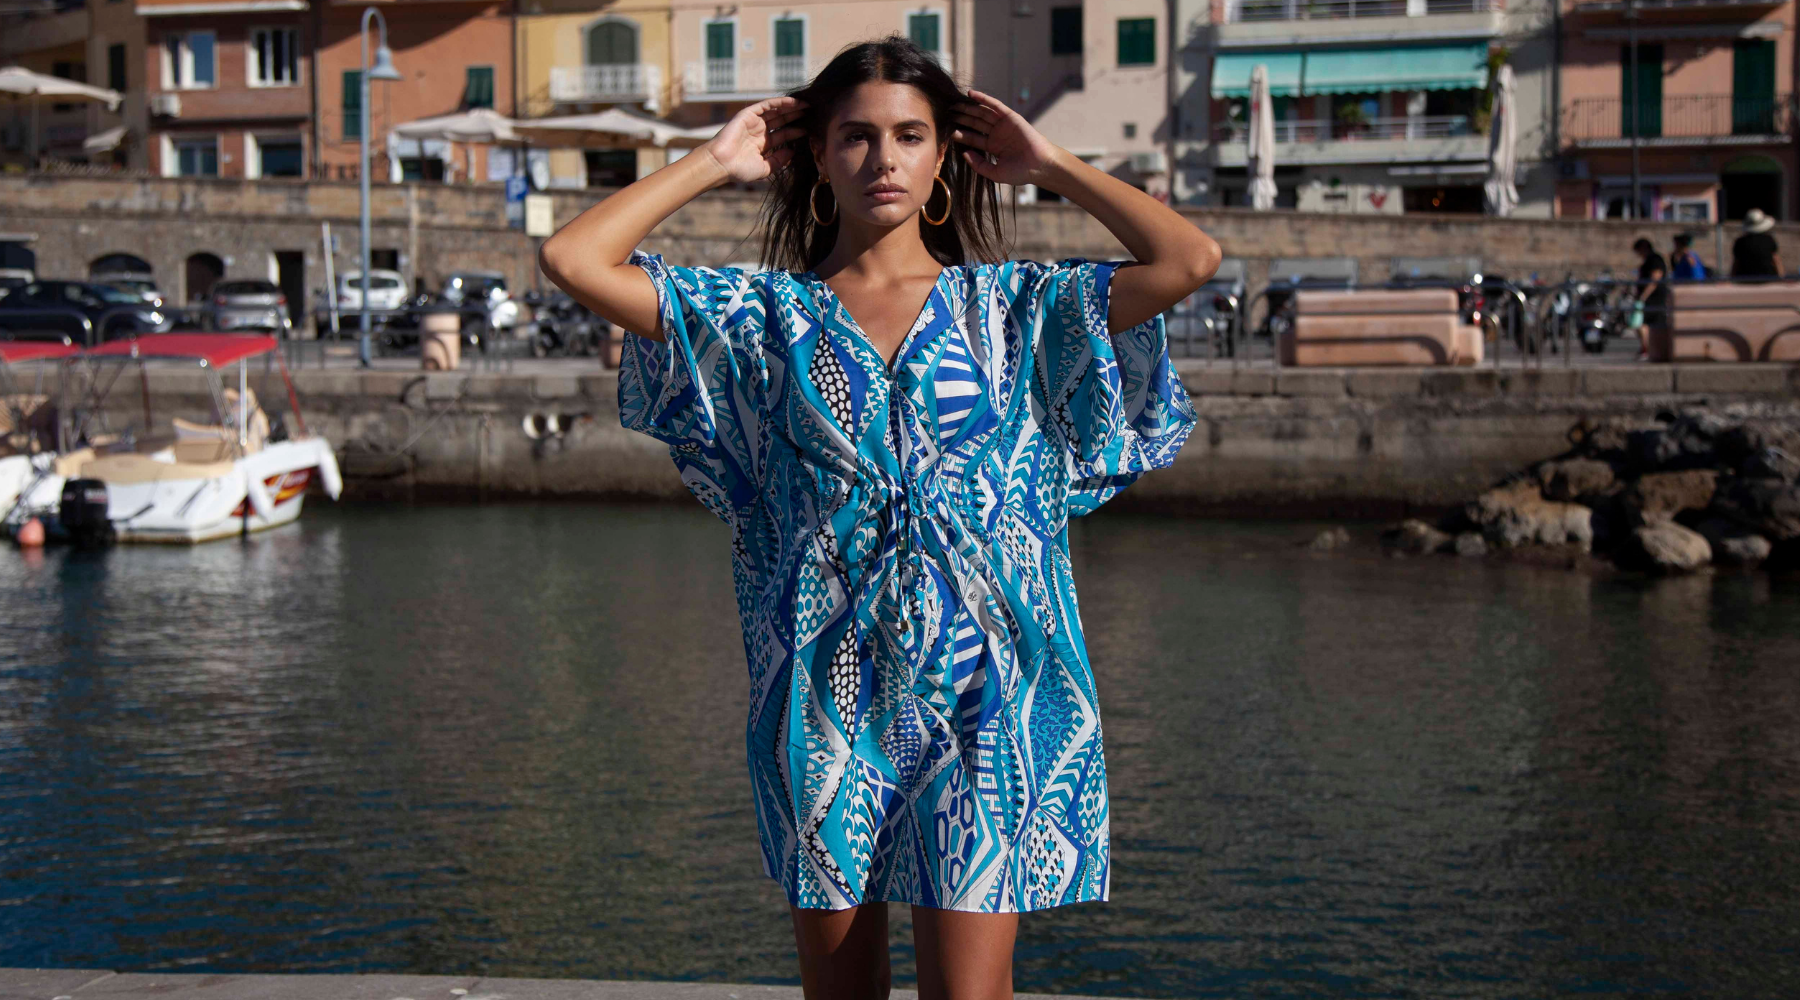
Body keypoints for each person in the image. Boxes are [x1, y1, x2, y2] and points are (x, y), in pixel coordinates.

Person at [539, 35, 1217, 1000]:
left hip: (990, 697)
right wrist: (716, 160)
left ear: (946, 155)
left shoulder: (1018, 311)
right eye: (855, 137)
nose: (884, 159)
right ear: (818, 155)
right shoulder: (759, 317)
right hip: (823, 695)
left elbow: (1189, 257)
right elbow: (572, 256)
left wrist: (1054, 163)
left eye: (910, 135)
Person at [1630, 237, 1668, 360]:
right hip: (1648, 297)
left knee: (1643, 324)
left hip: (1654, 298)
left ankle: (1647, 349)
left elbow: (1654, 280)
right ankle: (1646, 349)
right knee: (1641, 323)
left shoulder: (1654, 259)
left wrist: (1643, 297)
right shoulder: (1649, 260)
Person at [1731, 208, 1783, 278]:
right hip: (1768, 277)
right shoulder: (1769, 240)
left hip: (1744, 278)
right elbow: (1776, 260)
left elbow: (1736, 263)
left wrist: (1731, 278)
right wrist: (1781, 277)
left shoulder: (1740, 241)